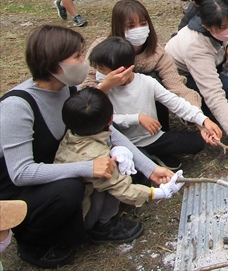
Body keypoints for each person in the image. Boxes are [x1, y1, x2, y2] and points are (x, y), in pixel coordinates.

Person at [0, 25, 173, 268]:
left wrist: (149, 168)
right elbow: (20, 173)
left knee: (128, 166)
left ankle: (98, 224)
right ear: (53, 65)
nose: (85, 62)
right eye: (78, 56)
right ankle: (32, 241)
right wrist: (87, 168)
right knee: (69, 189)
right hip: (21, 190)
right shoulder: (17, 106)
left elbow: (105, 130)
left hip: (65, 163)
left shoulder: (66, 89)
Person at [54, 88, 185, 225]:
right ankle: (105, 224)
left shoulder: (74, 133)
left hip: (70, 205)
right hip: (83, 215)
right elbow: (123, 189)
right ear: (111, 119)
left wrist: (118, 149)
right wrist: (160, 192)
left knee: (121, 157)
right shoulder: (98, 158)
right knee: (119, 167)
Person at [89, 37, 221, 171]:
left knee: (197, 142)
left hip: (154, 137)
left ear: (123, 70)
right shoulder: (104, 90)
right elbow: (104, 119)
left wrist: (204, 120)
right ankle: (145, 157)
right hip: (124, 143)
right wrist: (137, 118)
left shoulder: (147, 82)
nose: (98, 73)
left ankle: (153, 153)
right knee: (131, 165)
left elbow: (176, 103)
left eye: (101, 69)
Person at [82, 0, 201, 131]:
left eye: (143, 24)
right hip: (112, 116)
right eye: (131, 26)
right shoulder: (101, 49)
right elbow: (85, 91)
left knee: (154, 79)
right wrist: (106, 85)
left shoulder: (156, 53)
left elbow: (176, 85)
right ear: (118, 26)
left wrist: (196, 115)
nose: (138, 30)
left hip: (148, 115)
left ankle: (159, 129)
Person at [165, 0, 228, 154]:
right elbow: (213, 93)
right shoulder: (195, 48)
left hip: (211, 62)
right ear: (206, 26)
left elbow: (227, 34)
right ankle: (224, 106)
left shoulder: (214, 23)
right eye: (224, 27)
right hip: (186, 77)